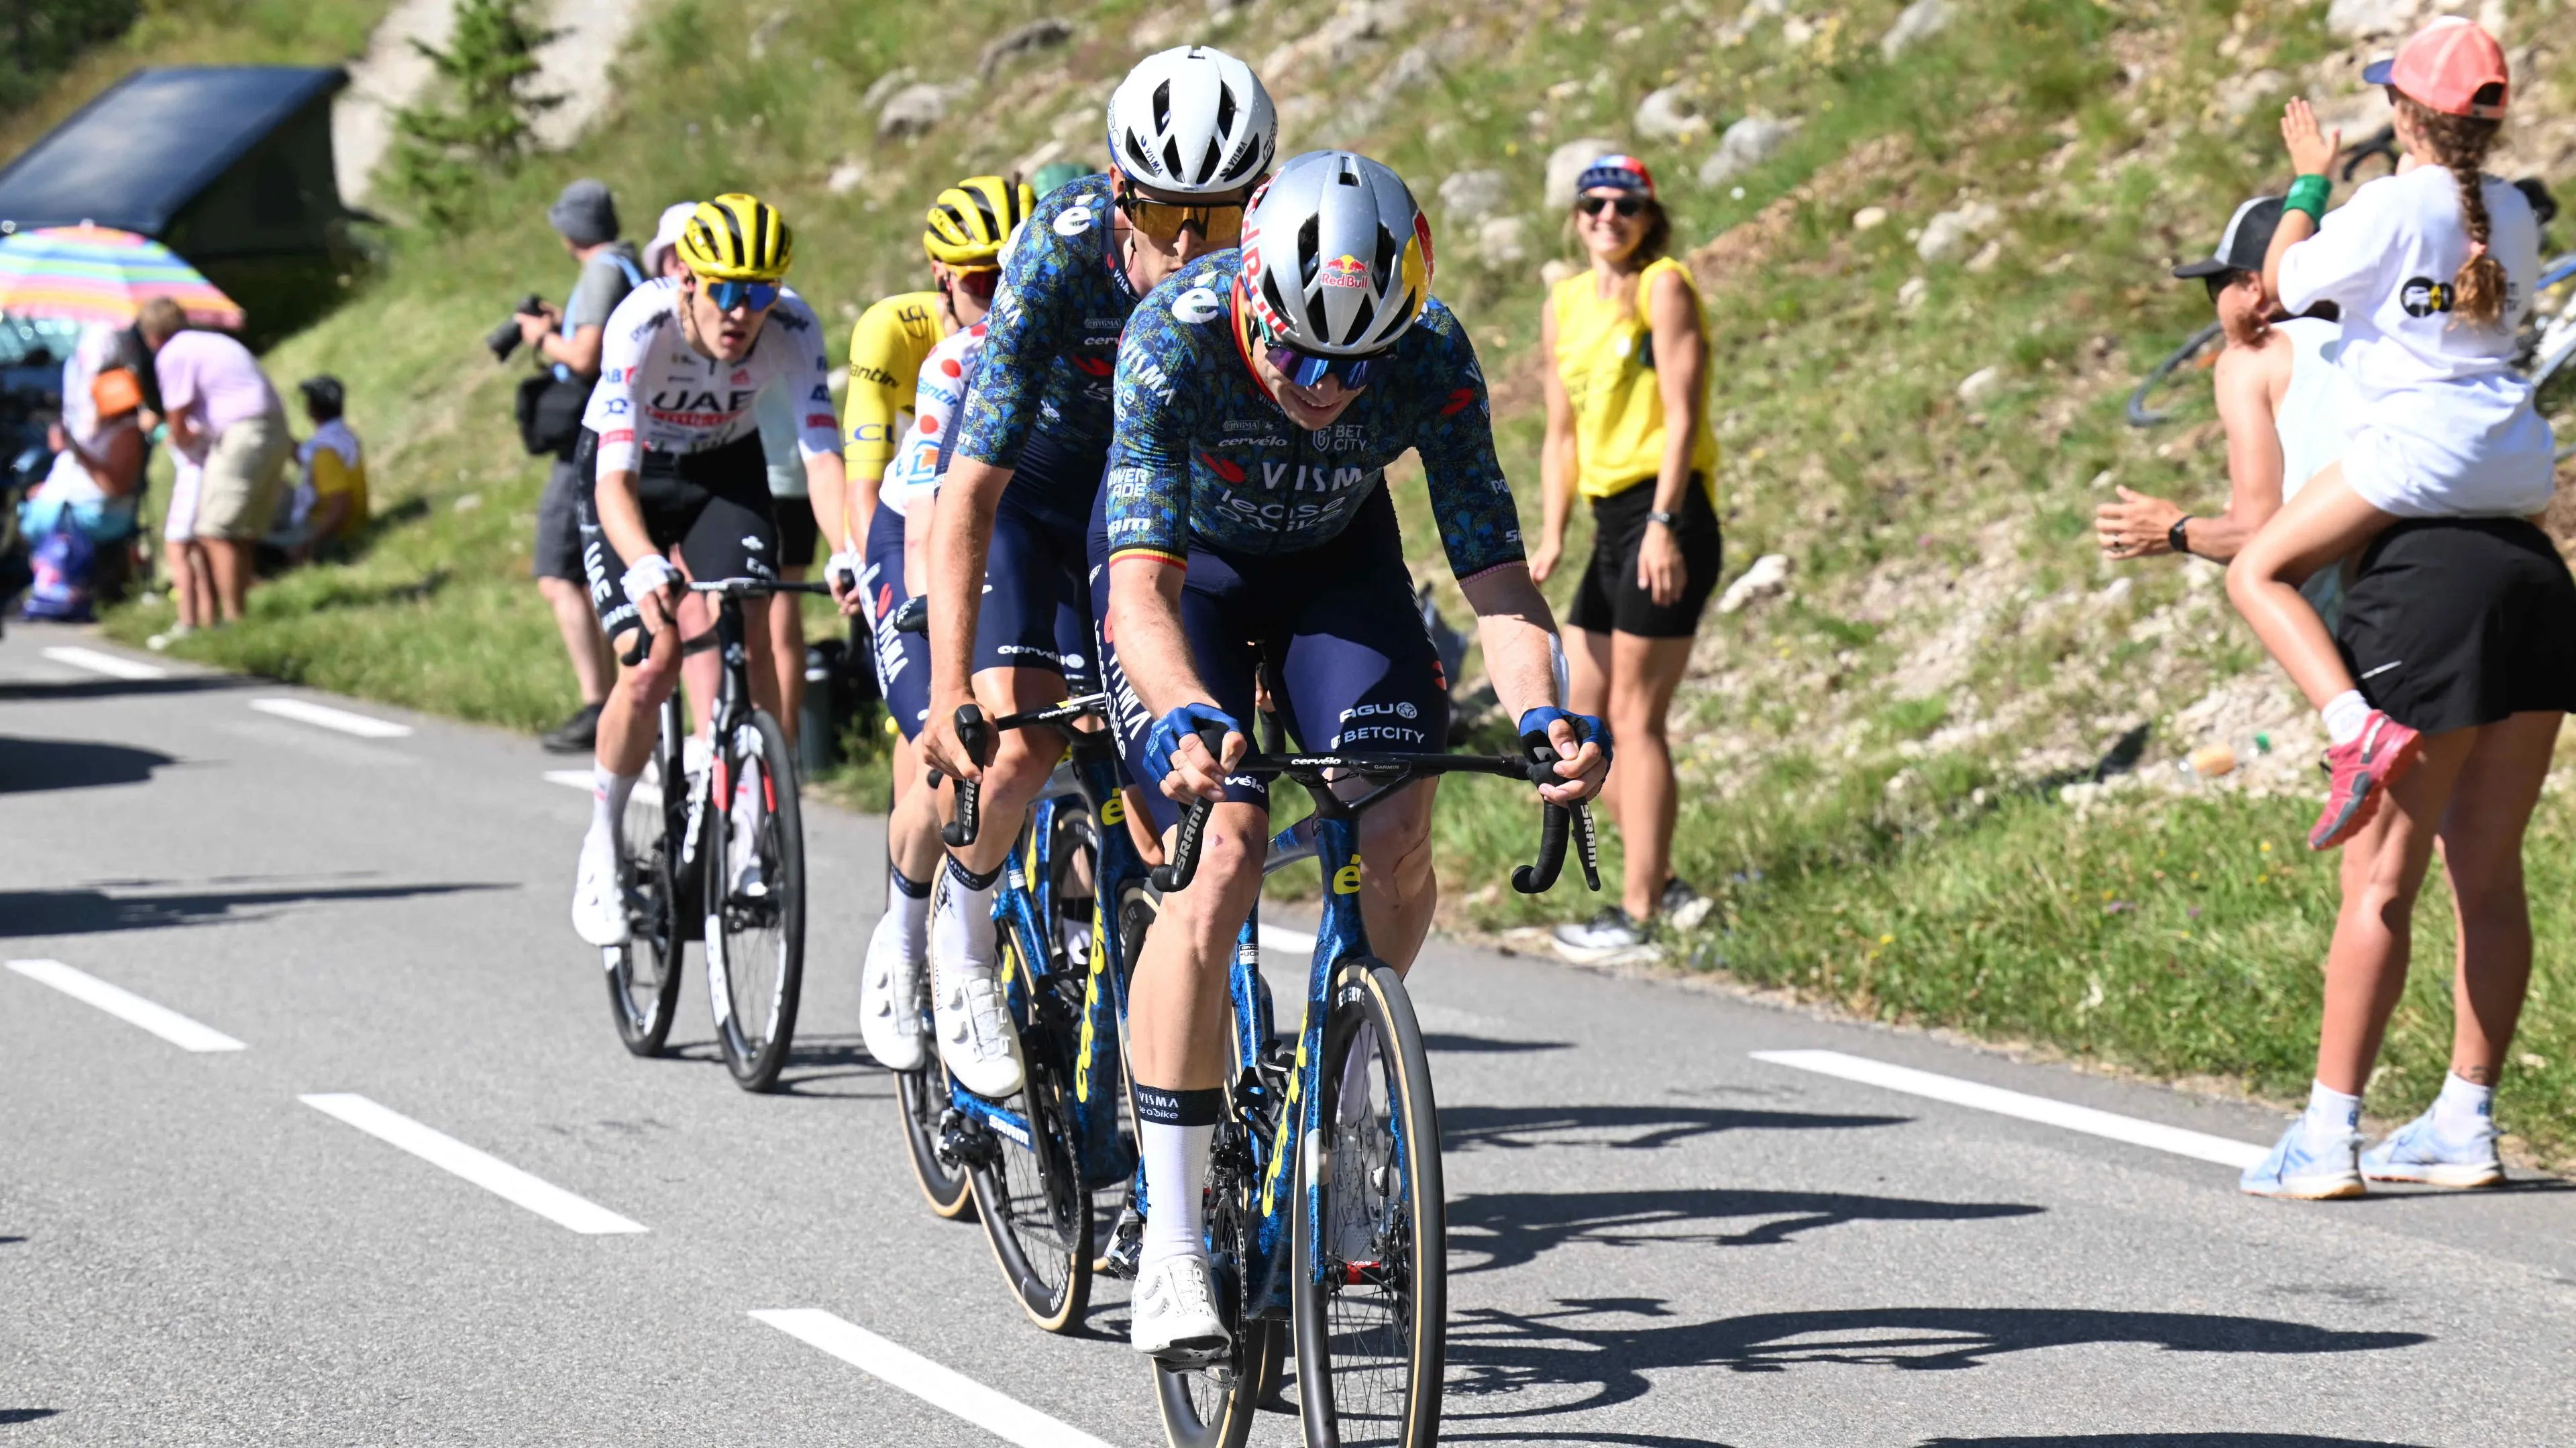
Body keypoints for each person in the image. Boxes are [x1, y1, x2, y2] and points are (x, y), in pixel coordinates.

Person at [1098, 149, 1611, 1360]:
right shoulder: (1176, 337)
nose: (1325, 386)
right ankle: (1170, 1239)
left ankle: (1350, 1082)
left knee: (1394, 824)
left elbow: (1494, 575)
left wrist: (1543, 712)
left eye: (1352, 363)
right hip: (1193, 579)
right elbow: (1138, 591)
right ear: (1253, 301)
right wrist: (1178, 710)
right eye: (1299, 355)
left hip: (1339, 567)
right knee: (1221, 848)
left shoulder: (1428, 352)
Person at [900, 46, 1278, 1111]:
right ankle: (962, 937)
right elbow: (969, 492)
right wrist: (945, 691)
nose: (1195, 243)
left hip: (1159, 513)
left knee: (1183, 800)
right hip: (1039, 494)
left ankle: (1162, 1120)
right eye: (1169, 213)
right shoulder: (1058, 255)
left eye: (1224, 209)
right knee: (1018, 745)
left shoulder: (1267, 267)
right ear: (1121, 193)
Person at [2225, 17, 2557, 851]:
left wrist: (2310, 183)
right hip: (2513, 463)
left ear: (2408, 115)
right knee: (2493, 863)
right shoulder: (2514, 211)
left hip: (2413, 454)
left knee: (2258, 572)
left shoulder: (2387, 205)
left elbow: (2285, 281)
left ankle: (2354, 727)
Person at [567, 195, 847, 947]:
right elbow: (610, 483)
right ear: (686, 278)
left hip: (725, 470)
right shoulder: (641, 322)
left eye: (759, 293)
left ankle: (751, 842)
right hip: (631, 475)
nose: (741, 312)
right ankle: (603, 844)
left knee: (752, 627)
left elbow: (824, 455)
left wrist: (848, 547)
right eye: (724, 289)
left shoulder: (791, 326)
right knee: (652, 660)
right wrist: (647, 564)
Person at [830, 176, 1032, 1074]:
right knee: (941, 750)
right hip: (914, 536)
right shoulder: (915, 343)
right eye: (981, 283)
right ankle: (905, 936)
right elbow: (886, 495)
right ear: (943, 282)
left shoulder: (1063, 336)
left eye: (1016, 277)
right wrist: (889, 595)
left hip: (1017, 538)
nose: (999, 299)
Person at [1529, 154, 1721, 963]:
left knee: (1639, 722)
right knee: (1580, 719)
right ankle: (1659, 878)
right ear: (1575, 217)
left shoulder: (1663, 285)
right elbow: (1560, 430)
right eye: (1593, 205)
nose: (1607, 217)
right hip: (1610, 521)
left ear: (1650, 217)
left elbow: (1684, 414)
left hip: (1665, 512)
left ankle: (1640, 912)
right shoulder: (1565, 302)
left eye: (1625, 205)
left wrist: (1666, 522)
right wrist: (1551, 533)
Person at [2098, 196, 2348, 595]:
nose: (2216, 306)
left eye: (2216, 286)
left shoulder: (2251, 356)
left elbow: (2255, 532)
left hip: (2376, 594)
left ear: (2253, 287)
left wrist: (2175, 530)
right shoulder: (2369, 345)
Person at [526, 179, 646, 755]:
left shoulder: (601, 271)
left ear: (570, 229)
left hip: (590, 439)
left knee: (559, 575)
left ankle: (601, 701)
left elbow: (585, 356)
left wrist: (544, 337)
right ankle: (616, 696)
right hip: (620, 434)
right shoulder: (626, 267)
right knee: (591, 573)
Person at [138, 297, 290, 625]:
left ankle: (233, 619)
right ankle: (239, 613)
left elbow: (176, 417)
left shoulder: (172, 354)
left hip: (242, 432)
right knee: (241, 532)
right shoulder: (210, 340)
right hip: (273, 428)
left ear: (151, 335)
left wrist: (177, 440)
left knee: (215, 531)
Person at [25, 365, 146, 548]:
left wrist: (77, 451)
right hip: (69, 504)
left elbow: (114, 487)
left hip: (98, 513)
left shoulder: (126, 432)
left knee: (27, 523)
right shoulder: (95, 426)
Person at [274, 375, 369, 562]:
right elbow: (305, 456)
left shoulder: (325, 452)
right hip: (354, 526)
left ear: (312, 409)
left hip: (332, 536)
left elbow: (340, 507)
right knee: (277, 487)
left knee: (256, 543)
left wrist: (307, 545)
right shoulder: (342, 435)